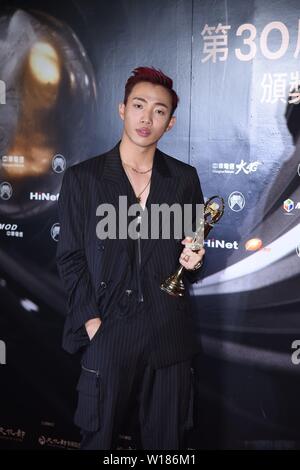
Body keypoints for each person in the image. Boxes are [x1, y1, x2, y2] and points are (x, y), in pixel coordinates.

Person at [56, 66, 205, 450]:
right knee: (98, 440)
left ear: (170, 123)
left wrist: (194, 259)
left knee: (167, 445)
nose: (147, 117)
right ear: (122, 108)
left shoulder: (183, 179)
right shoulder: (83, 179)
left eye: (159, 111)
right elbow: (71, 258)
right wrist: (92, 321)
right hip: (109, 327)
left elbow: (190, 252)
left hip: (168, 329)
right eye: (139, 105)